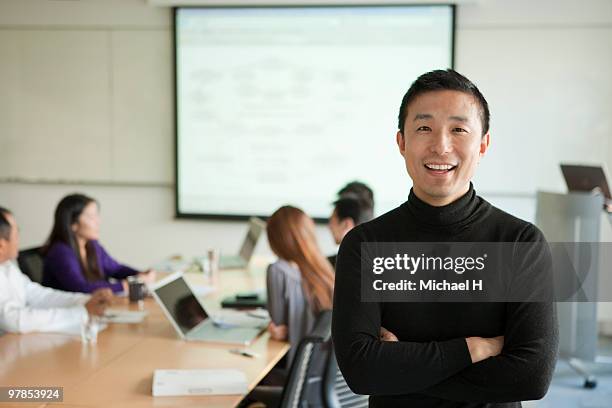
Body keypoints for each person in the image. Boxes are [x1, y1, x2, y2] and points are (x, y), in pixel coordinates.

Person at [332, 69, 558, 407]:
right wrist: (474, 350)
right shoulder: (365, 245)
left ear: (482, 144)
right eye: (424, 128)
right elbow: (361, 372)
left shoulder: (520, 243)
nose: (440, 145)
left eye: (458, 130)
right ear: (402, 142)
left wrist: (403, 368)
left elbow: (532, 376)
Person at [0, 206, 112, 333]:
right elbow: (14, 320)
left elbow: (39, 296)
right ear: (1, 245)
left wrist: (86, 300)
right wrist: (81, 312)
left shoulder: (7, 267)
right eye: (16, 233)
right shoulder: (61, 251)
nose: (18, 239)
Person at [42, 194, 155, 294]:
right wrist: (126, 285)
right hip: (70, 312)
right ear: (73, 223)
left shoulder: (92, 245)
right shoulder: (60, 252)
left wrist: (140, 274)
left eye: (97, 215)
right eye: (91, 217)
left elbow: (115, 269)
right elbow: (81, 288)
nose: (98, 221)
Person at [266, 205, 335, 365]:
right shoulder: (323, 271)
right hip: (319, 373)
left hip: (294, 370)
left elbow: (279, 327)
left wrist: (275, 330)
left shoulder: (278, 270)